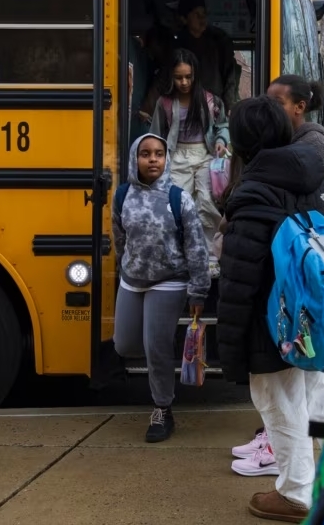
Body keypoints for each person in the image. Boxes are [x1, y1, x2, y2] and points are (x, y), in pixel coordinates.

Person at [217, 96, 324, 523]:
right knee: (305, 400)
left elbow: (238, 281)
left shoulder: (253, 193)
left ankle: (295, 495)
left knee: (277, 402)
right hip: (313, 314)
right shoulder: (310, 179)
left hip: (274, 323)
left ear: (241, 142)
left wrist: (230, 350)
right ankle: (322, 479)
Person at [112, 133, 211, 443]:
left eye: (158, 153)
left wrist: (198, 290)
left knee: (156, 347)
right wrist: (124, 266)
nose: (152, 159)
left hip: (169, 281)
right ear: (134, 159)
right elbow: (118, 235)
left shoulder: (178, 198)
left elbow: (196, 247)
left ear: (167, 159)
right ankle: (158, 352)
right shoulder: (122, 194)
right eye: (145, 154)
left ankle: (162, 409)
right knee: (124, 344)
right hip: (132, 279)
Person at [149, 48, 229, 278]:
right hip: (176, 155)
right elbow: (156, 134)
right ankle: (180, 255)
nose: (184, 82)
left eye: (188, 76)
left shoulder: (210, 100)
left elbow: (222, 125)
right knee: (177, 205)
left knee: (206, 201)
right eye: (178, 77)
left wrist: (222, 140)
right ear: (171, 77)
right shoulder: (164, 103)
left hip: (204, 155)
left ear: (195, 75)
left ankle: (211, 256)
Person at [267, 74, 324, 223]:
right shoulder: (277, 138)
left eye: (277, 103)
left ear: (299, 107)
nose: (269, 109)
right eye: (266, 102)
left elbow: (313, 196)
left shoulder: (314, 143)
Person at [175, 0, 241, 111]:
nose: (202, 19)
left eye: (204, 14)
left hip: (214, 106)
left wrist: (227, 107)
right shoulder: (177, 45)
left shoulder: (219, 41)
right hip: (185, 106)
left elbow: (229, 76)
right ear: (184, 19)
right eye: (197, 15)